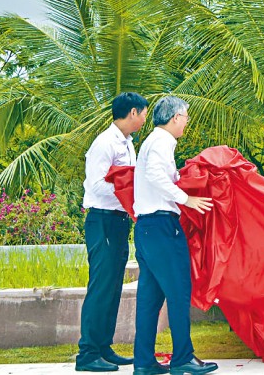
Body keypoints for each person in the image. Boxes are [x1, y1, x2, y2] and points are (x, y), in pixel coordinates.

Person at [132, 96, 217, 375]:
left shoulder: (152, 142)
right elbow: (157, 176)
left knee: (149, 299)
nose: (186, 122)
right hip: (161, 227)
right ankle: (183, 358)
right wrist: (186, 199)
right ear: (175, 118)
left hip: (146, 228)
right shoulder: (162, 142)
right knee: (179, 292)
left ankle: (144, 362)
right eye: (185, 117)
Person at [77, 92, 148, 372]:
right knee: (101, 286)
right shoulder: (104, 143)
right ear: (132, 112)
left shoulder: (128, 143)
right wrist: (129, 192)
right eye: (143, 113)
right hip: (103, 220)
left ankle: (103, 348)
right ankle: (88, 353)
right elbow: (95, 186)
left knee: (112, 286)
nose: (144, 118)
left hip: (119, 221)